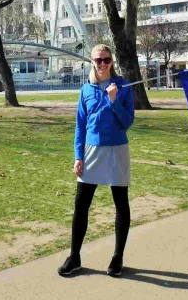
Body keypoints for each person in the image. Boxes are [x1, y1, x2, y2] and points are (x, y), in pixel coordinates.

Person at [57, 44, 135, 278]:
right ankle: (74, 256)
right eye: (98, 60)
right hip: (91, 150)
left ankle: (117, 257)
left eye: (106, 60)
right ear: (91, 62)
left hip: (117, 149)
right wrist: (77, 156)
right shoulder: (86, 90)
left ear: (112, 61)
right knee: (81, 205)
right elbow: (80, 125)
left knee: (120, 203)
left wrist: (114, 100)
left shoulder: (123, 87)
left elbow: (127, 122)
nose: (102, 64)